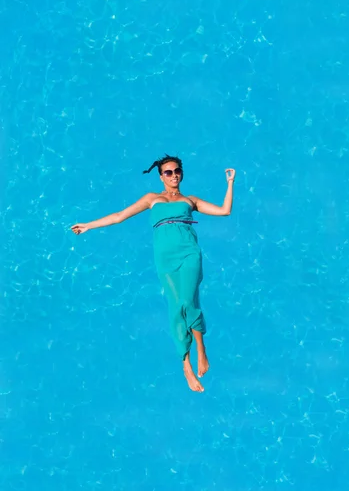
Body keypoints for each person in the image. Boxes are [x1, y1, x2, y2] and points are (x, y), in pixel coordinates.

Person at [71, 155, 235, 393]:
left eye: (177, 171)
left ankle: (201, 349)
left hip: (189, 253)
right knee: (175, 305)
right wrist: (88, 225)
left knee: (189, 301)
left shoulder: (191, 200)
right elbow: (119, 216)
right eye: (168, 172)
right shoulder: (152, 199)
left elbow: (224, 211)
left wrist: (230, 183)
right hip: (165, 257)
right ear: (161, 176)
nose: (174, 175)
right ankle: (185, 364)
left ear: (182, 173)